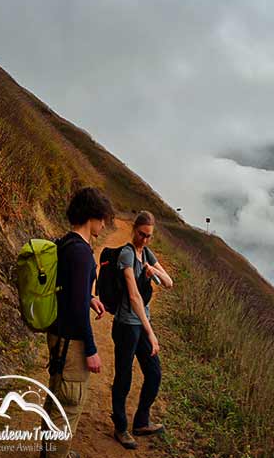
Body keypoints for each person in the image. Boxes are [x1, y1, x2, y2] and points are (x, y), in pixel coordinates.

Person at [46, 187, 114, 458]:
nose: (104, 224)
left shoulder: (67, 244)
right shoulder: (82, 253)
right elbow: (76, 311)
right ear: (92, 217)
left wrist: (89, 298)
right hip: (71, 342)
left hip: (58, 335)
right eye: (103, 218)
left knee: (55, 400)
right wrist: (91, 349)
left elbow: (72, 291)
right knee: (67, 408)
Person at [111, 210, 173, 449]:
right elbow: (135, 297)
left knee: (154, 373)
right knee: (124, 377)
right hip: (127, 326)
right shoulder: (126, 255)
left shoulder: (147, 253)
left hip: (140, 325)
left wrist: (153, 270)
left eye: (149, 236)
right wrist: (151, 332)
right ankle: (120, 427)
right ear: (134, 229)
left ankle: (141, 421)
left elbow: (168, 283)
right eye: (141, 234)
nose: (145, 239)